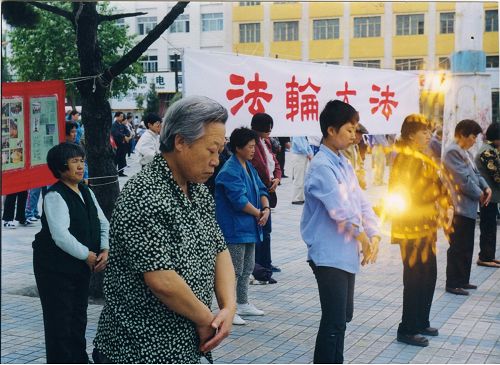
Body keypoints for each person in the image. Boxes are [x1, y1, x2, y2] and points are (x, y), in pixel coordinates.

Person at [93, 96, 236, 364]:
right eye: (211, 150)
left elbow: (220, 250)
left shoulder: (199, 191)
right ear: (180, 142)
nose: (216, 161)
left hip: (185, 346)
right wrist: (208, 320)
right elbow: (161, 280)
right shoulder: (144, 193)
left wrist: (228, 307)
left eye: (220, 151)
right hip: (138, 349)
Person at [301, 100, 380, 364]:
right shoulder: (322, 165)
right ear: (331, 130)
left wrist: (375, 235)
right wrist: (363, 237)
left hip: (345, 253)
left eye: (355, 129)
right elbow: (341, 210)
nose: (354, 135)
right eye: (349, 129)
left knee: (343, 318)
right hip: (328, 254)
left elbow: (361, 202)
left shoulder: (343, 163)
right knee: (334, 320)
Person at [32, 142, 109, 363]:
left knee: (78, 316)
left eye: (81, 160)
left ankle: (78, 359)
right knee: (60, 319)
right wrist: (87, 255)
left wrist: (105, 248)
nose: (80, 166)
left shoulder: (86, 190)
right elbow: (60, 235)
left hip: (80, 265)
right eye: (74, 161)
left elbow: (102, 222)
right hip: (55, 268)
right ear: (60, 167)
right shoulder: (55, 195)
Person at [389, 114, 452, 347]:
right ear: (410, 134)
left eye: (429, 132)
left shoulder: (422, 156)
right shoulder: (405, 158)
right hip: (411, 227)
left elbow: (437, 183)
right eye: (424, 132)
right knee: (415, 278)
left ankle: (421, 321)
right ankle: (407, 328)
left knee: (429, 274)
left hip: (426, 225)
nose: (428, 135)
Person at [215, 127, 269, 326]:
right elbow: (238, 200)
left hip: (250, 227)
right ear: (238, 148)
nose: (254, 150)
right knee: (233, 271)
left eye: (255, 146)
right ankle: (228, 309)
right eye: (250, 146)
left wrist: (266, 208)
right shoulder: (230, 170)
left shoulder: (248, 166)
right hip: (234, 228)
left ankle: (243, 302)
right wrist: (259, 213)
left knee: (247, 268)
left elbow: (262, 188)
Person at [443, 119, 491, 296]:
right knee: (458, 246)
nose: (474, 140)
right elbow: (463, 180)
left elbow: (476, 174)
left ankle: (463, 279)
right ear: (462, 134)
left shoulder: (466, 153)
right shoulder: (452, 152)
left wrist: (486, 188)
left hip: (469, 207)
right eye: (472, 136)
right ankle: (453, 282)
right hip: (458, 207)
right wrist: (480, 194)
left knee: (467, 245)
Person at [250, 113, 282, 278]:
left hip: (269, 188)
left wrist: (276, 178)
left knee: (267, 230)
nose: (269, 130)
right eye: (267, 127)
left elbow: (275, 163)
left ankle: (266, 263)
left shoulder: (267, 142)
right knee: (261, 228)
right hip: (258, 190)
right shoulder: (253, 144)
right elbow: (258, 167)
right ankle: (260, 266)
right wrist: (269, 181)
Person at [475, 123, 500, 268]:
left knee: (490, 227)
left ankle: (488, 256)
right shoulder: (487, 152)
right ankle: (484, 257)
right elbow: (497, 175)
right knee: (488, 227)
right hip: (487, 197)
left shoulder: (492, 149)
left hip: (491, 197)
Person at [342, 123, 368, 190]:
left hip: (354, 183)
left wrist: (362, 178)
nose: (361, 137)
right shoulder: (343, 148)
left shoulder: (355, 146)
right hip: (347, 185)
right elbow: (346, 169)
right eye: (360, 135)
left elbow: (360, 164)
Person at [290, 136, 313, 205]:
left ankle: (300, 197)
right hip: (298, 156)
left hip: (303, 156)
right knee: (298, 177)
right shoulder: (297, 134)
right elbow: (300, 146)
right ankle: (296, 198)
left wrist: (310, 153)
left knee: (302, 178)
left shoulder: (303, 134)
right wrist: (308, 154)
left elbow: (307, 144)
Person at [110, 111, 131, 177]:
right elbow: (115, 134)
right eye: (121, 116)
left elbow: (128, 132)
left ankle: (121, 172)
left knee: (122, 159)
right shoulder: (114, 125)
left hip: (123, 145)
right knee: (116, 159)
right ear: (116, 116)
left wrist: (126, 136)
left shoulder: (122, 125)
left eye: (122, 116)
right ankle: (113, 172)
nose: (122, 117)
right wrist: (124, 136)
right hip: (117, 145)